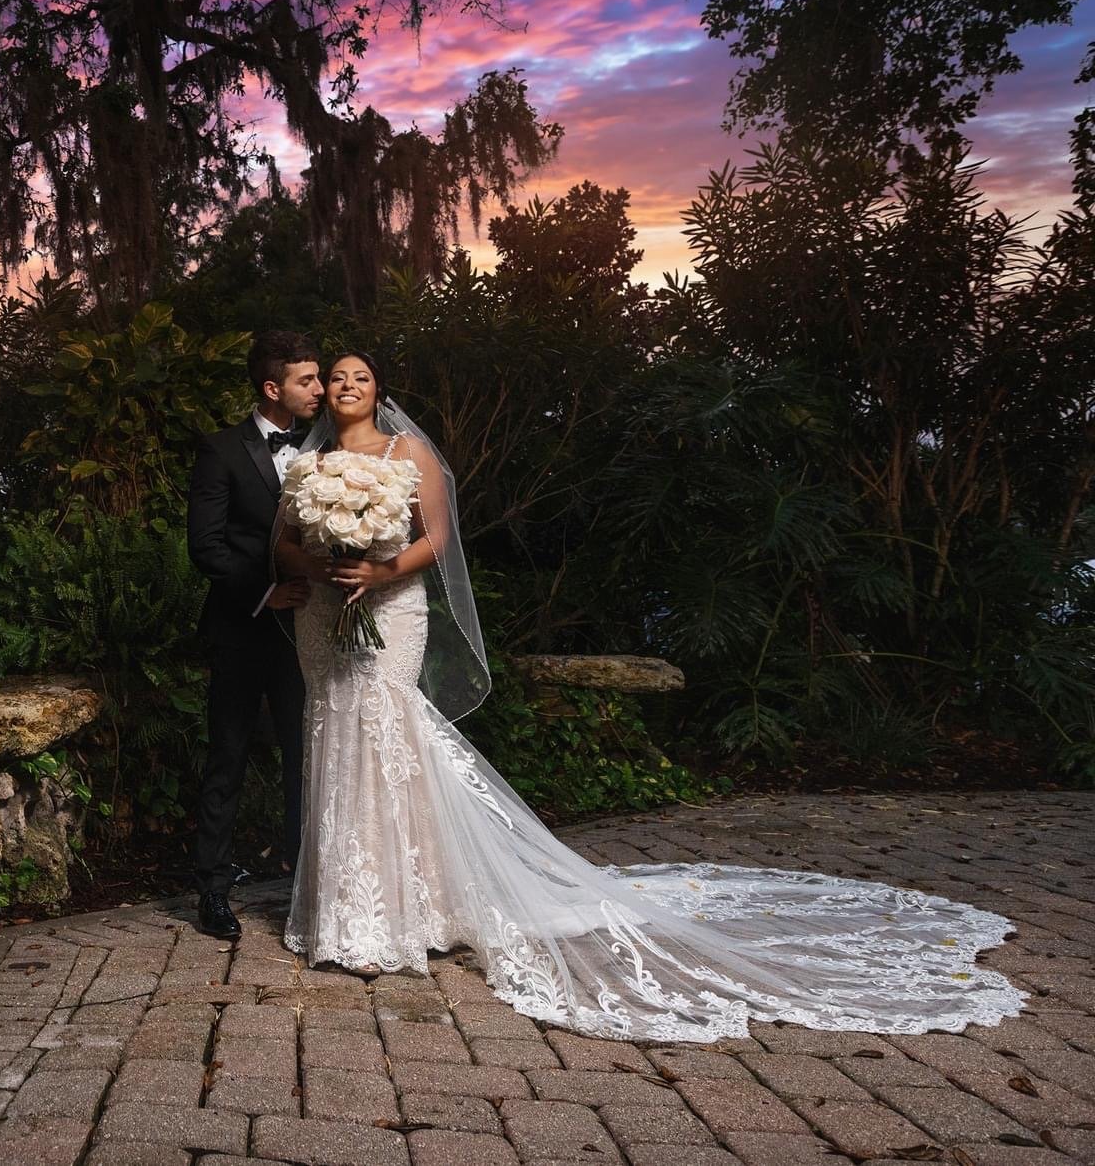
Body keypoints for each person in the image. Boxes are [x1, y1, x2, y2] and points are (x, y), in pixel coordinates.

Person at [271, 351, 1026, 1041]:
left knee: (389, 735)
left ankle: (398, 913)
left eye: (359, 377)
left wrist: (377, 570)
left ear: (379, 390)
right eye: (335, 378)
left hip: (390, 607)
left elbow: (437, 538)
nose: (346, 386)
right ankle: (343, 912)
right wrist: (322, 559)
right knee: (335, 733)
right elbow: (280, 540)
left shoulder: (411, 454)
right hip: (325, 614)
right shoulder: (312, 463)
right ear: (323, 395)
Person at [185, 331, 323, 941]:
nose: (320, 390)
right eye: (307, 380)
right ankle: (212, 891)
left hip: (310, 632)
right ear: (273, 389)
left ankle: (307, 888)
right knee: (229, 757)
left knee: (306, 758)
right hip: (242, 629)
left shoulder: (330, 448)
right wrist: (267, 593)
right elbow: (206, 547)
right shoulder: (220, 451)